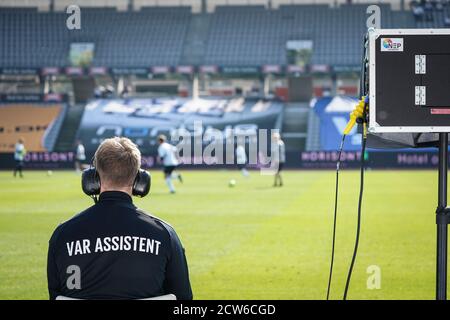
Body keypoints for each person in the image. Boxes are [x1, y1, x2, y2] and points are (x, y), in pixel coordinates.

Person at [47, 137, 192, 300]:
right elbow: (183, 298)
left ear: (92, 178)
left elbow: (55, 295)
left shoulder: (63, 234)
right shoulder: (165, 234)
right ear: (140, 180)